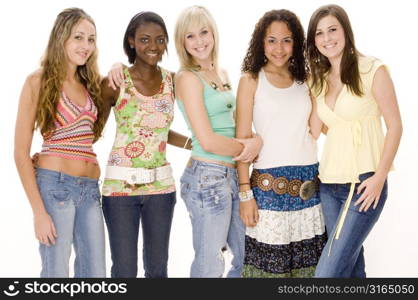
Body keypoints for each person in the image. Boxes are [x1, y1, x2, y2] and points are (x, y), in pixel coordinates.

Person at [306, 4, 402, 277]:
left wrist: (379, 177)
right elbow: (317, 130)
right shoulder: (320, 79)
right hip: (329, 184)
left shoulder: (372, 69)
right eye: (319, 34)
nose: (327, 39)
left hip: (364, 183)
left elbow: (395, 126)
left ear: (346, 30)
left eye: (333, 30)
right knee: (350, 269)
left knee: (327, 274)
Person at [14, 8, 106, 277]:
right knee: (56, 274)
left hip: (90, 191)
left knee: (96, 275)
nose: (86, 46)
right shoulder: (37, 81)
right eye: (78, 37)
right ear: (61, 37)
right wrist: (38, 213)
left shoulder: (90, 84)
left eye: (91, 39)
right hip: (56, 188)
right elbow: (20, 153)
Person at [236, 9, 327, 278]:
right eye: (271, 40)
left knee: (308, 275)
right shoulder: (251, 81)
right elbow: (242, 144)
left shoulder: (306, 80)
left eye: (286, 40)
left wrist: (319, 86)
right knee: (269, 276)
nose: (279, 48)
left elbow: (314, 131)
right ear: (261, 43)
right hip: (267, 191)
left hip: (309, 189)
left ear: (296, 43)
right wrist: (245, 195)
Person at [174, 5, 263, 278]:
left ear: (213, 34)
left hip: (232, 175)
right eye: (190, 36)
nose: (199, 41)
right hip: (207, 177)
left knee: (248, 259)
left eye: (204, 32)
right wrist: (248, 149)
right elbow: (208, 140)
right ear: (182, 42)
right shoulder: (187, 78)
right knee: (210, 264)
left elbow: (238, 124)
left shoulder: (222, 74)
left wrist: (256, 139)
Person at [100, 11, 191, 278]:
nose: (153, 46)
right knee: (124, 271)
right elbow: (94, 131)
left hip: (161, 190)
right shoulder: (116, 83)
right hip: (119, 191)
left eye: (160, 40)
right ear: (131, 41)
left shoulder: (172, 81)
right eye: (144, 39)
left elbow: (158, 130)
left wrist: (193, 144)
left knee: (157, 271)